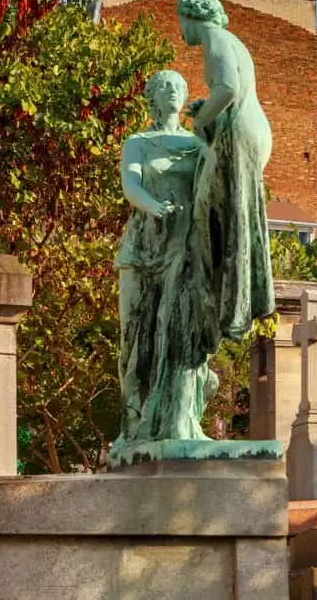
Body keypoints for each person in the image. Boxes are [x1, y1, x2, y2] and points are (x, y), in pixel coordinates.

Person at [112, 69, 215, 445]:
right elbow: (132, 186)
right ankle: (135, 423)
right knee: (135, 335)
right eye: (165, 87)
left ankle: (180, 419)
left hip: (184, 248)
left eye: (179, 86)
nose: (173, 91)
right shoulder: (137, 143)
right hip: (143, 247)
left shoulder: (196, 145)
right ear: (152, 97)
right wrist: (155, 208)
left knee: (180, 333)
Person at [178, 0, 276, 361]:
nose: (181, 31)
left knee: (212, 215)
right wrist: (209, 113)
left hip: (240, 134)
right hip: (246, 130)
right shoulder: (234, 42)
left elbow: (229, 89)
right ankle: (229, 298)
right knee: (224, 213)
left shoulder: (215, 37)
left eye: (180, 22)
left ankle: (230, 303)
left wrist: (201, 119)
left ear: (191, 18)